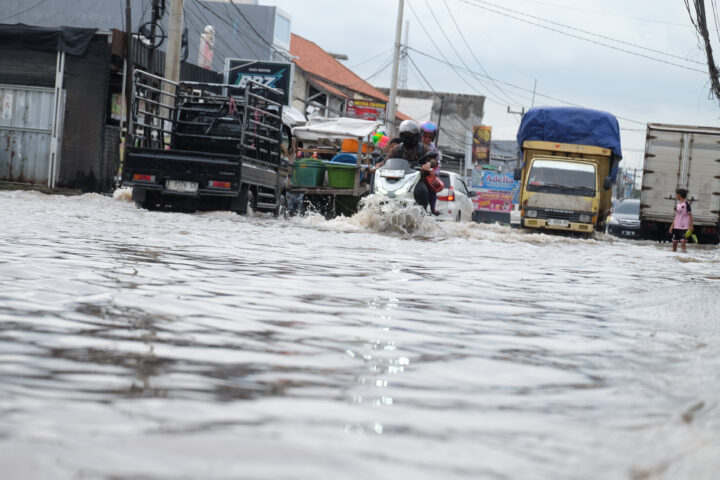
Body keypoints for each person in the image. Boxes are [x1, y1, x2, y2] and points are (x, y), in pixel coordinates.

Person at [382, 120, 438, 210]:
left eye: (410, 135)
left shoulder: (423, 148)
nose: (407, 138)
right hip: (397, 180)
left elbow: (433, 160)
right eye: (404, 135)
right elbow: (386, 160)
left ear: (416, 136)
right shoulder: (397, 149)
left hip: (416, 181)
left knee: (423, 191)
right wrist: (377, 166)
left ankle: (422, 213)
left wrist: (428, 164)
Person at [420, 121, 441, 214]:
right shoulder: (415, 145)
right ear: (420, 135)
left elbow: (437, 162)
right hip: (413, 171)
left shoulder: (433, 149)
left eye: (429, 137)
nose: (427, 139)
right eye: (425, 136)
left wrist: (433, 172)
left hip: (427, 173)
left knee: (432, 188)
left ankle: (432, 208)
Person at [669, 188, 693, 252]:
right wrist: (672, 226)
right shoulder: (678, 205)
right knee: (674, 243)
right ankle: (674, 256)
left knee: (683, 242)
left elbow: (690, 215)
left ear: (679, 195)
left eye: (677, 194)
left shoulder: (686, 204)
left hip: (684, 227)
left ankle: (684, 256)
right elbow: (676, 216)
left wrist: (691, 226)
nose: (676, 196)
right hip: (676, 226)